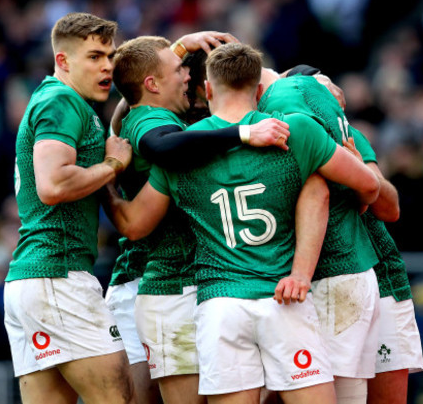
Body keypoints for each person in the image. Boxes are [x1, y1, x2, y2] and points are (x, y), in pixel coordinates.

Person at [104, 42, 382, 404]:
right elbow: (368, 185)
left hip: (219, 304)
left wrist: (106, 176)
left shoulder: (185, 151)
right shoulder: (293, 131)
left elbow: (133, 224)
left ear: (206, 89)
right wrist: (359, 197)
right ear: (261, 91)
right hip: (284, 296)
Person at [105, 34, 292, 404]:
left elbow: (134, 101)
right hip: (157, 281)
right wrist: (244, 132)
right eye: (178, 69)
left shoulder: (160, 114)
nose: (187, 76)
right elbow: (163, 146)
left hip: (198, 285)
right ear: (152, 84)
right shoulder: (152, 119)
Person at [259, 68, 423, 404]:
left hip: (378, 277)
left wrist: (358, 169)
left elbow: (390, 208)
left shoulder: (348, 134)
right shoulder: (277, 130)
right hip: (315, 282)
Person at [3, 12, 135, 404]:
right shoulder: (62, 100)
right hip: (58, 277)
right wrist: (113, 165)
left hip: (32, 280)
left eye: (109, 56)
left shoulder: (62, 100)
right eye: (94, 56)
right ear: (63, 61)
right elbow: (53, 184)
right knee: (119, 398)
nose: (107, 65)